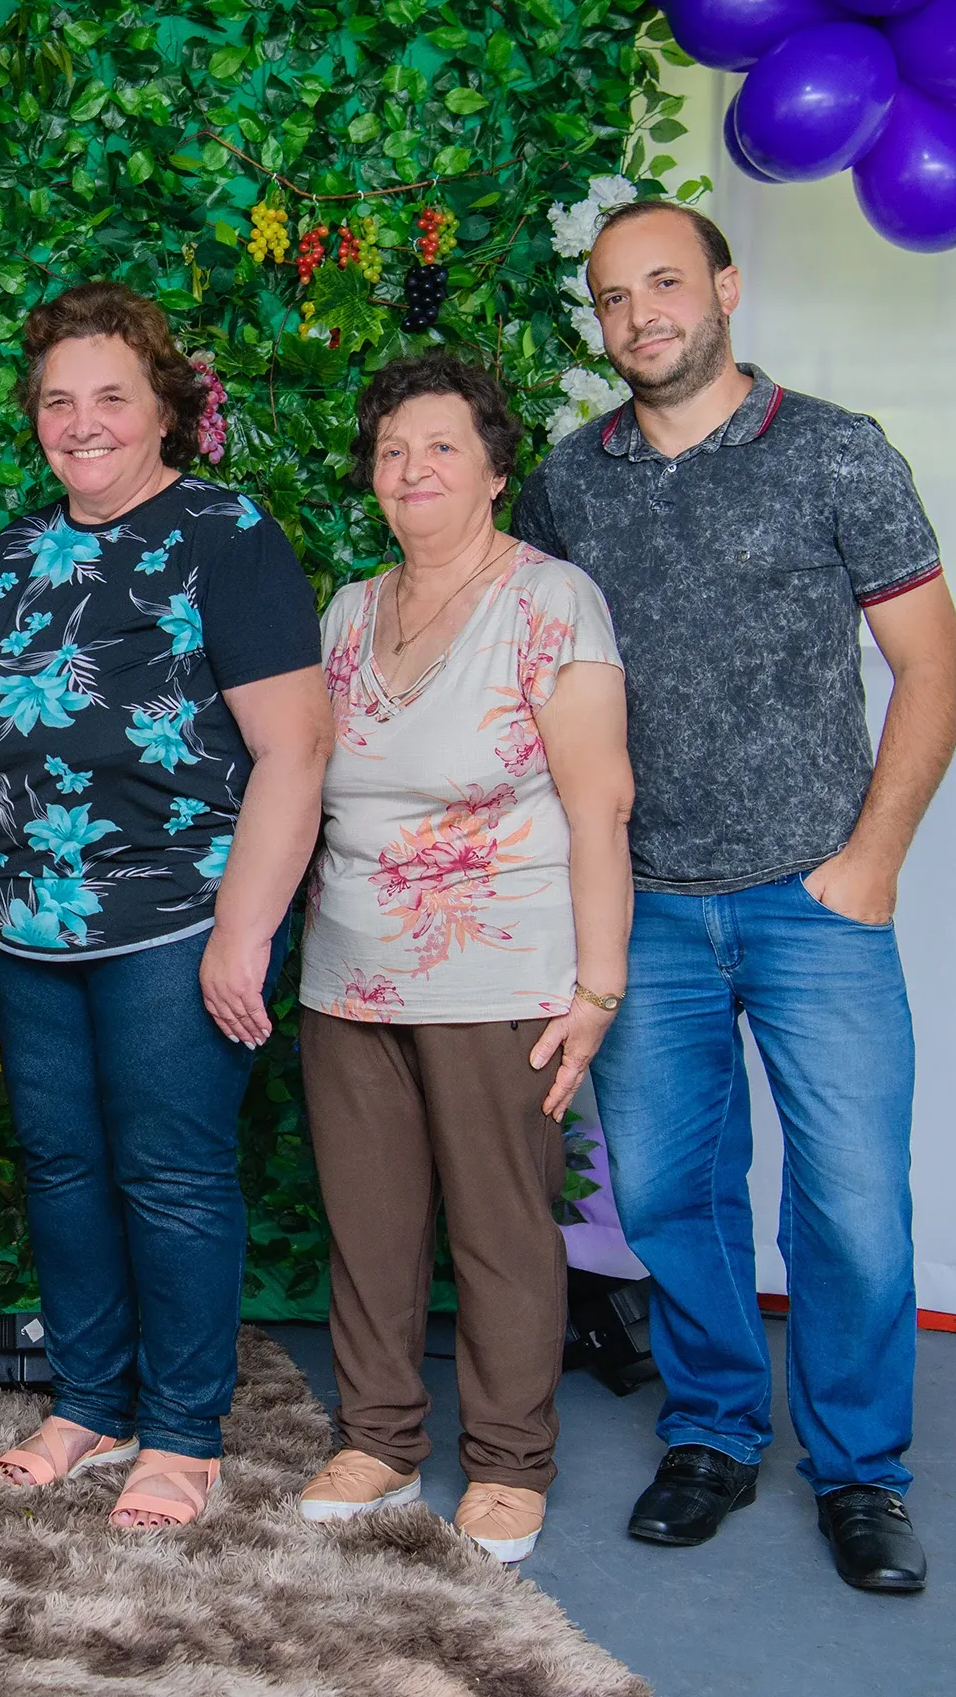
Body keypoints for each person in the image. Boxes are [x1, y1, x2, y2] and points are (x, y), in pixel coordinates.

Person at [516, 199, 956, 1594]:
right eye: (609, 297)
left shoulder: (835, 453)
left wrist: (874, 855)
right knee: (667, 1192)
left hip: (810, 901)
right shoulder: (564, 482)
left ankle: (858, 1473)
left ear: (721, 287)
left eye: (662, 283)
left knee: (849, 1206)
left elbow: (932, 666)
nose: (638, 314)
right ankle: (711, 1431)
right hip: (640, 910)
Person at [0, 281, 330, 1531]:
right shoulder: (7, 557)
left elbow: (295, 750)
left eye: (111, 395)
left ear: (163, 408)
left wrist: (244, 929)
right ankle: (90, 1401)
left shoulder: (228, 534)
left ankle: (183, 1433)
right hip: (30, 925)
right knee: (62, 1170)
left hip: (177, 922)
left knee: (171, 1173)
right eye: (59, 401)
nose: (83, 421)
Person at [290, 353, 634, 1564]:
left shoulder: (553, 602)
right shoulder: (344, 609)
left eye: (439, 446)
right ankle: (378, 1435)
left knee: (498, 1226)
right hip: (345, 976)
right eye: (391, 450)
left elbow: (600, 805)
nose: (412, 468)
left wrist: (597, 989)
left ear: (494, 467)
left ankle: (507, 1459)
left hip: (501, 976)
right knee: (370, 1223)